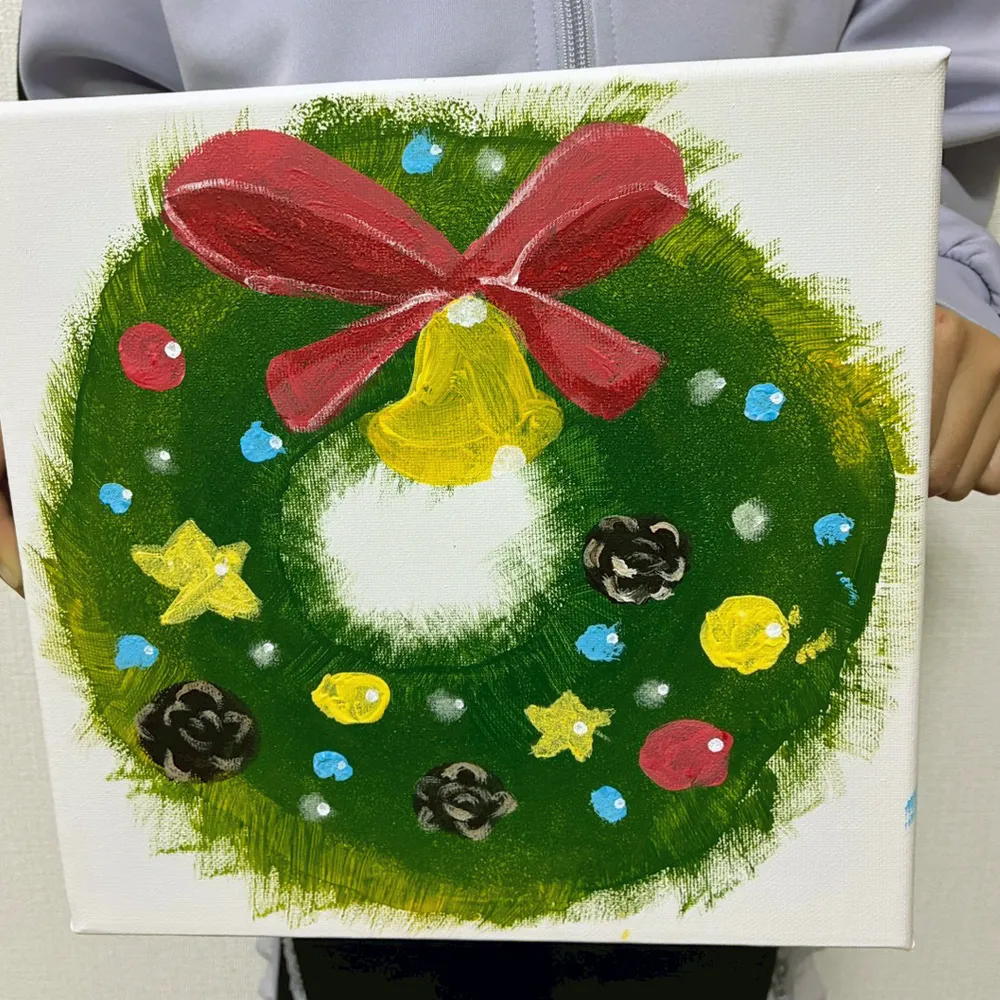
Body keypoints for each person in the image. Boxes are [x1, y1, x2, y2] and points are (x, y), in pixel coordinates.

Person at [8, 2, 1000, 998]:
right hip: (295, 394)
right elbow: (96, 115)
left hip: (718, 434)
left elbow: (937, 90)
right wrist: (40, 358)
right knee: (362, 889)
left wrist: (935, 280)